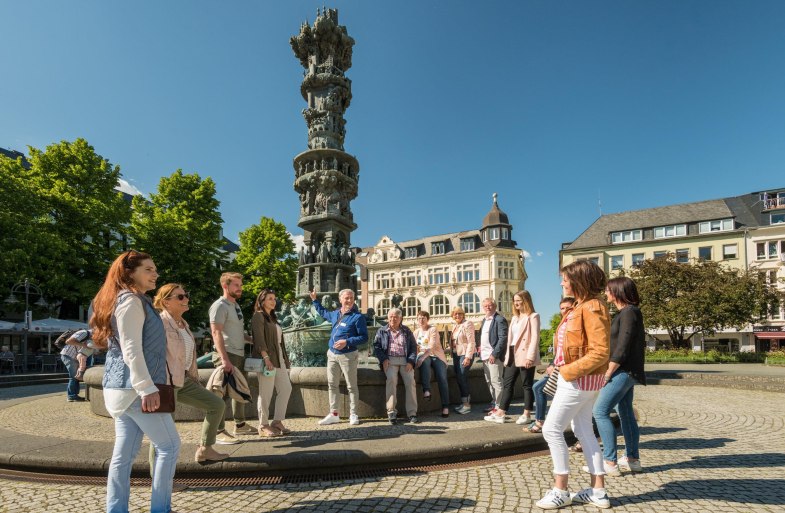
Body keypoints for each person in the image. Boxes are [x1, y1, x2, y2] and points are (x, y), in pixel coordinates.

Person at [91, 250, 180, 513]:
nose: (156, 274)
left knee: (124, 456)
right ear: (129, 273)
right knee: (169, 446)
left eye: (155, 269)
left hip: (120, 388)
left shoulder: (123, 299)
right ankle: (160, 509)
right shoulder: (131, 301)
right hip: (135, 389)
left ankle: (116, 509)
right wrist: (146, 388)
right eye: (148, 269)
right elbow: (131, 349)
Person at [536, 259, 611, 510]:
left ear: (579, 281)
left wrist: (567, 371)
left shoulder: (591, 307)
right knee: (583, 431)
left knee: (551, 429)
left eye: (565, 279)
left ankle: (561, 490)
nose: (562, 283)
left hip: (578, 380)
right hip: (583, 380)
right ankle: (598, 491)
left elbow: (600, 352)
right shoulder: (583, 305)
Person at [153, 283, 228, 463]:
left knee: (216, 405)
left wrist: (193, 377)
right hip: (166, 382)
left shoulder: (183, 324)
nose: (186, 299)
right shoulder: (159, 323)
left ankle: (205, 449)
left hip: (184, 379)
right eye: (180, 297)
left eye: (186, 295)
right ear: (166, 302)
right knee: (164, 433)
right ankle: (157, 475)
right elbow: (152, 354)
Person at [590, 276, 646, 475]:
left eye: (608, 290)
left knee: (600, 411)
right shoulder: (628, 312)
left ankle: (610, 462)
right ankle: (632, 459)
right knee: (626, 413)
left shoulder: (629, 312)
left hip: (622, 370)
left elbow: (623, 345)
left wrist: (609, 371)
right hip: (627, 371)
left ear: (617, 291)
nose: (605, 293)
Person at [310, 288, 368, 426]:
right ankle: (334, 414)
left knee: (351, 386)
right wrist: (314, 300)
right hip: (332, 354)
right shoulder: (335, 314)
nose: (349, 300)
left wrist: (347, 342)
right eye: (346, 298)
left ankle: (353, 414)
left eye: (351, 298)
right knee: (332, 385)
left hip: (348, 355)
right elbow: (323, 312)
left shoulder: (357, 317)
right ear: (340, 299)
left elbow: (364, 337)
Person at [209, 272, 254, 443]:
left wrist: (253, 340)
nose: (240, 288)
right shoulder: (219, 305)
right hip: (227, 354)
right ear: (225, 286)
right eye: (236, 285)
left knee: (239, 390)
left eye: (240, 285)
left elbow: (237, 333)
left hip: (238, 353)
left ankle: (240, 425)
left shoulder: (235, 305)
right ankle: (218, 430)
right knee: (221, 394)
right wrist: (224, 359)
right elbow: (216, 332)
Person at [486, 290, 540, 425]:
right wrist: (507, 357)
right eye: (514, 301)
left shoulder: (533, 316)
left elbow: (535, 337)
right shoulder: (515, 318)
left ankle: (527, 414)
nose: (516, 303)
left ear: (526, 301)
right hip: (512, 352)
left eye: (519, 300)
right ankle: (501, 412)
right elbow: (510, 339)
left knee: (526, 385)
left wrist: (530, 357)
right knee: (507, 383)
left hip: (525, 353)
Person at [524, 298, 575, 434]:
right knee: (538, 388)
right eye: (562, 308)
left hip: (567, 367)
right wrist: (552, 364)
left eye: (568, 308)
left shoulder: (574, 323)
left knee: (540, 388)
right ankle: (541, 421)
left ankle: (542, 422)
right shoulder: (563, 323)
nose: (565, 310)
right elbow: (559, 350)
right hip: (558, 366)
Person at [251, 288, 292, 437]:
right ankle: (263, 425)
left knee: (286, 388)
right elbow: (259, 339)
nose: (273, 301)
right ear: (262, 301)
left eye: (274, 299)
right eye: (270, 298)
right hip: (267, 358)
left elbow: (279, 342)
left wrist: (285, 359)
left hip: (279, 358)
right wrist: (266, 358)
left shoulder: (272, 318)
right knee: (266, 393)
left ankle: (277, 421)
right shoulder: (258, 316)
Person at [374, 308, 419, 424]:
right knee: (391, 380)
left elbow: (413, 347)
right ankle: (391, 411)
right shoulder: (382, 330)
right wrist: (383, 359)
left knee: (410, 381)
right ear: (388, 318)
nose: (393, 319)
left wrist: (411, 361)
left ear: (400, 318)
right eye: (391, 316)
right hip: (389, 360)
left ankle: (412, 413)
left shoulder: (406, 330)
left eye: (396, 317)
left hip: (405, 360)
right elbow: (377, 347)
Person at [414, 310, 450, 417]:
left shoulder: (433, 329)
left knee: (442, 377)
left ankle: (445, 406)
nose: (421, 320)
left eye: (423, 318)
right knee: (424, 362)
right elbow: (413, 347)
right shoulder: (416, 332)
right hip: (423, 356)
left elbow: (432, 346)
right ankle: (426, 390)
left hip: (436, 356)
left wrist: (422, 358)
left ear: (427, 319)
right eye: (419, 318)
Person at [478, 298, 508, 414]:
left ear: (495, 306)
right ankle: (494, 403)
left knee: (496, 381)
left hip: (494, 356)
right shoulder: (484, 320)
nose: (488, 308)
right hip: (485, 355)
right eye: (485, 306)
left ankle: (499, 406)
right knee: (489, 381)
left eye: (490, 305)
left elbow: (503, 338)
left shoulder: (499, 319)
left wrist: (494, 354)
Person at [450, 307, 475, 414]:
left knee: (462, 377)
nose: (457, 315)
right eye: (455, 314)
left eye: (460, 313)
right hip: (457, 354)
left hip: (465, 354)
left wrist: (468, 357)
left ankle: (467, 405)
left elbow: (471, 341)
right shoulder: (455, 326)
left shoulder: (468, 324)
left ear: (463, 314)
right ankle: (464, 402)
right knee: (459, 378)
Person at [60, 329, 93, 401]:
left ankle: (74, 395)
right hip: (69, 355)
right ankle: (71, 396)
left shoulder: (89, 336)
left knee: (76, 377)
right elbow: (68, 341)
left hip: (73, 356)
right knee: (74, 377)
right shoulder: (84, 333)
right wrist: (84, 345)